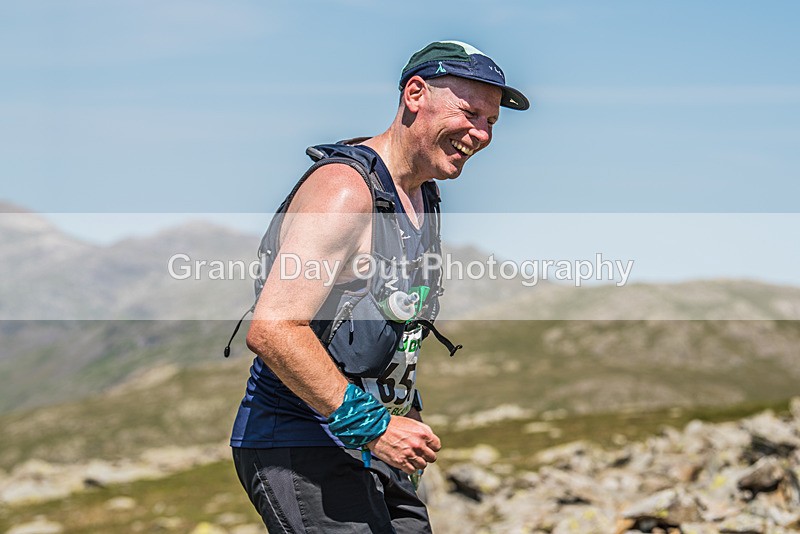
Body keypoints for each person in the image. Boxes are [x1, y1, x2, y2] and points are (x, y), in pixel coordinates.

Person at [230, 40, 529, 533]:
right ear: (415, 94)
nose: (480, 133)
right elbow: (274, 328)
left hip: (373, 445)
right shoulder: (345, 191)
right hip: (303, 443)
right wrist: (375, 425)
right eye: (470, 112)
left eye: (492, 122)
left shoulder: (422, 194)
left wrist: (398, 419)